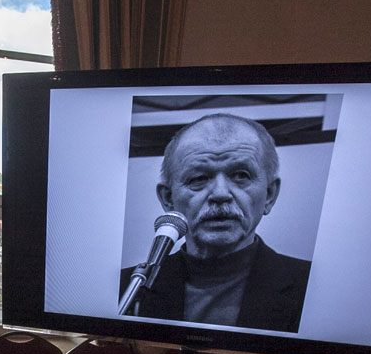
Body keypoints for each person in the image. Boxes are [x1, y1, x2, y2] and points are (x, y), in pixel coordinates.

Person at [120, 113, 310, 332]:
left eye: (241, 175)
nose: (220, 194)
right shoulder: (127, 290)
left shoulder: (313, 288)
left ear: (269, 195)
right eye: (198, 178)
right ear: (168, 199)